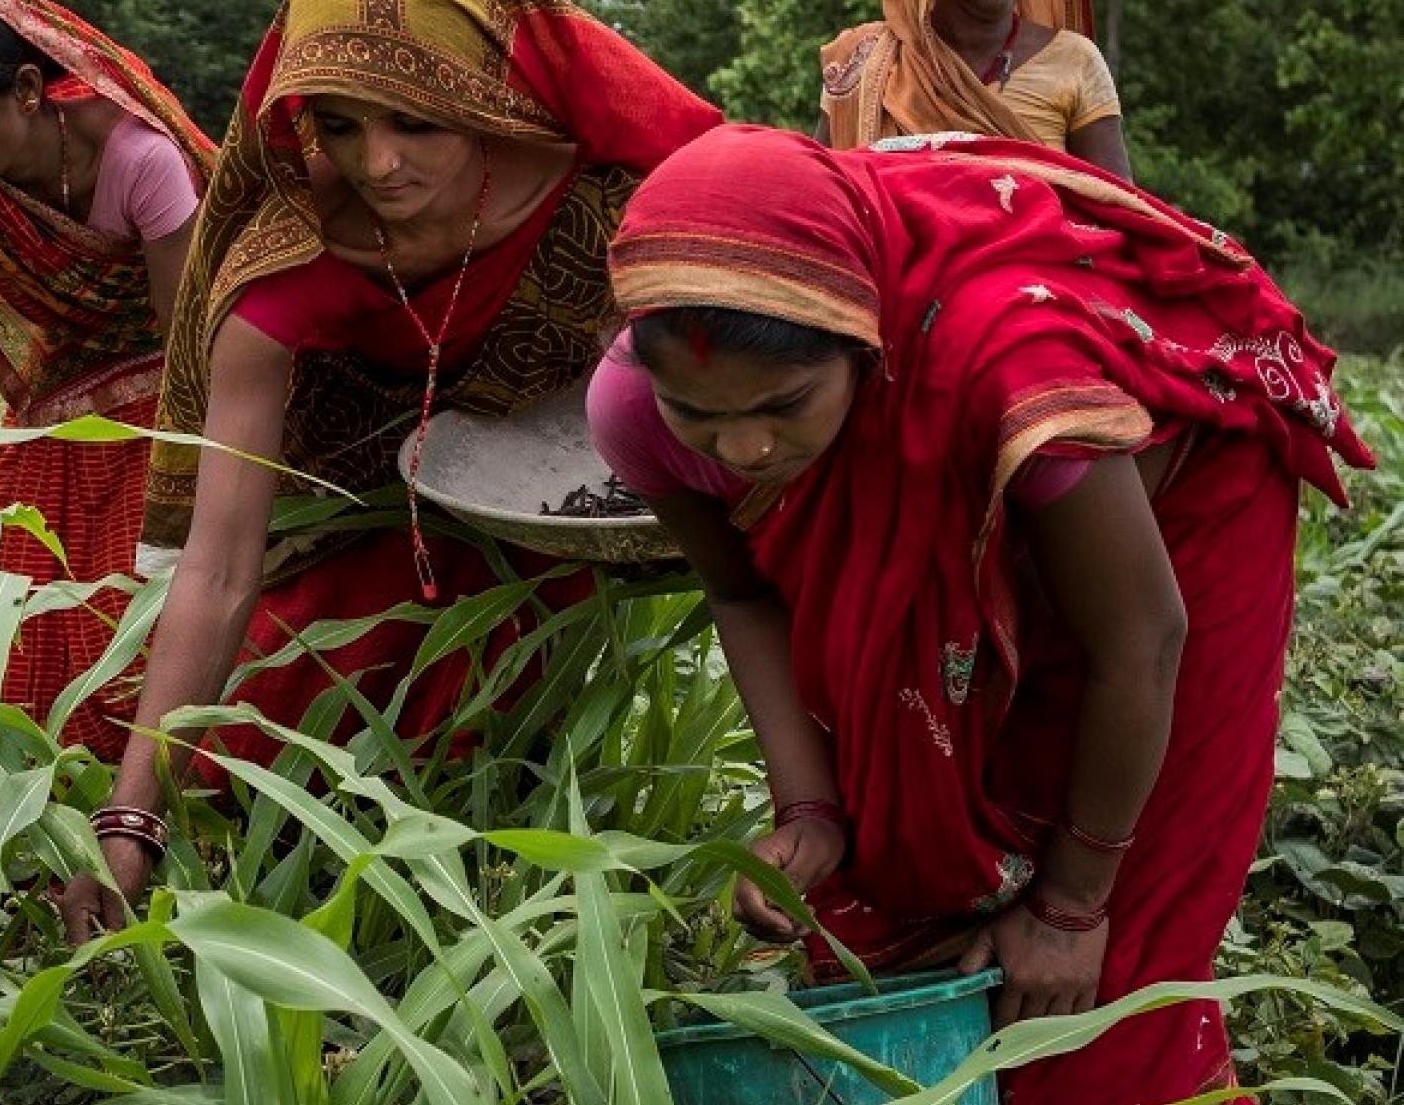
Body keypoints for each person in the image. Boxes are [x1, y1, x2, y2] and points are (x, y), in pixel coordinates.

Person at [586, 126, 1371, 1100]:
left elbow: (1139, 638)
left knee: (1100, 988)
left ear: (868, 343)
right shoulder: (630, 406)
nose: (743, 448)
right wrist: (810, 810)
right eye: (696, 415)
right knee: (895, 906)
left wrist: (1075, 905)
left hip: (1174, 526)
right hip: (995, 529)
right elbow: (743, 590)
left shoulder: (1001, 368)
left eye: (785, 404)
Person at [57, 0, 720, 941]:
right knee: (267, 756)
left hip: (544, 508)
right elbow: (220, 563)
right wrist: (131, 820)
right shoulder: (287, 263)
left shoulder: (609, 193)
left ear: (488, 98)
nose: (379, 164)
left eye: (418, 123)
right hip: (350, 509)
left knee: (504, 780)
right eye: (338, 125)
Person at [0, 0, 216, 755]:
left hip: (167, 417)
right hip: (54, 429)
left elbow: (189, 353)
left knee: (140, 637)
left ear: (26, 91)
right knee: (20, 652)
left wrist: (188, 504)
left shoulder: (138, 159)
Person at [819, 0, 1131, 180]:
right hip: (890, 275)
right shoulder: (869, 61)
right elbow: (818, 187)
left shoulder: (1074, 60)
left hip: (1029, 277)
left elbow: (1119, 208)